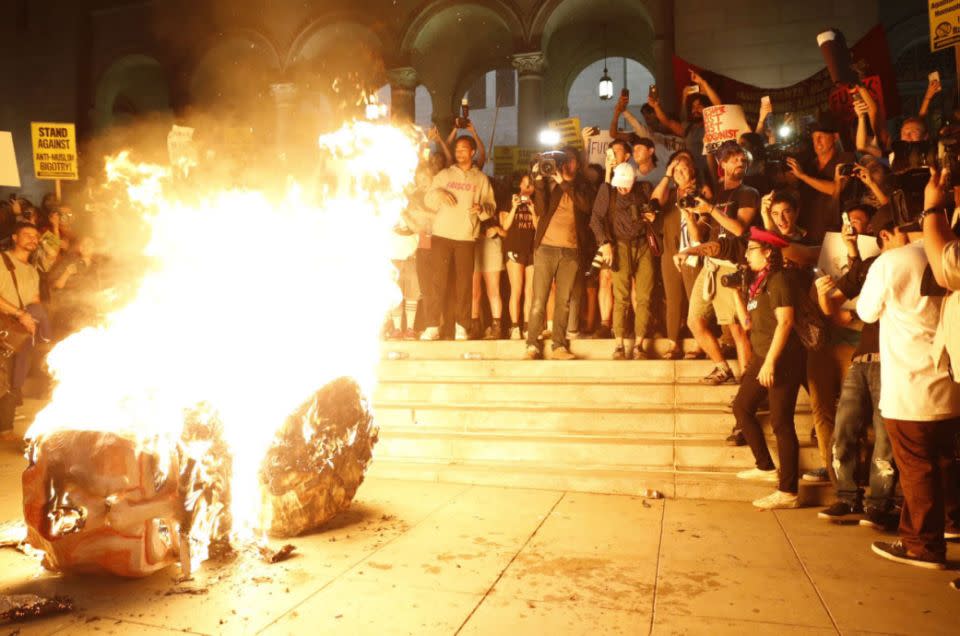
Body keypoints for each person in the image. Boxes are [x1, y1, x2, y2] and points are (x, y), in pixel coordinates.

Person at [857, 171, 960, 568]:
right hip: (948, 383)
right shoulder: (946, 253)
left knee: (916, 468)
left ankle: (923, 544)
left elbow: (866, 311)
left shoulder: (892, 261)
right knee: (941, 464)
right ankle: (944, 525)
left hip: (910, 387)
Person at [815, 220, 903, 527]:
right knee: (844, 428)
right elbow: (834, 310)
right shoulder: (872, 267)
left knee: (884, 433)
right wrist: (823, 294)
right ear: (885, 236)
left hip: (891, 359)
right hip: (860, 360)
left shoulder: (911, 262)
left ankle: (880, 503)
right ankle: (847, 497)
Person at [732, 228, 806, 510]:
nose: (746, 254)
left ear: (767, 253)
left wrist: (772, 361)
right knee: (742, 408)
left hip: (782, 359)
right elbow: (747, 324)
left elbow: (786, 322)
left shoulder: (780, 279)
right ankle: (764, 465)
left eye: (751, 249)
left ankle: (788, 491)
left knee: (781, 422)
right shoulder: (758, 283)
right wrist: (735, 294)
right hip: (761, 356)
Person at [687, 143, 759, 384]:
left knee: (737, 329)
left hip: (732, 266)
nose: (740, 162)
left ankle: (749, 386)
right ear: (723, 164)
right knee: (694, 321)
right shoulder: (715, 193)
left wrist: (711, 209)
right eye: (734, 159)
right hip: (710, 265)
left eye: (743, 159)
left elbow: (738, 228)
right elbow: (699, 236)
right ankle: (722, 368)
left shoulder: (748, 193)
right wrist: (690, 214)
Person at [420, 136, 497, 341]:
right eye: (457, 150)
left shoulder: (480, 179)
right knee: (438, 282)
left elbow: (491, 208)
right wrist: (440, 193)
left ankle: (462, 325)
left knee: (464, 284)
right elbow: (428, 198)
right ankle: (432, 325)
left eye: (464, 149)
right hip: (442, 235)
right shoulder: (445, 175)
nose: (459, 153)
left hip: (466, 237)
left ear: (472, 152)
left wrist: (481, 209)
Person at [524, 148, 592, 360]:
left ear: (577, 165)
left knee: (563, 301)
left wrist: (564, 182)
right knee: (539, 300)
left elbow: (586, 206)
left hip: (571, 251)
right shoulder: (550, 184)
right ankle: (532, 346)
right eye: (563, 161)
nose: (566, 165)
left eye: (570, 161)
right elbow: (541, 210)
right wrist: (539, 182)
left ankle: (558, 346)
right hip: (546, 248)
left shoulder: (583, 186)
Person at [590, 162, 657, 360]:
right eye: (619, 184)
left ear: (634, 180)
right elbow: (595, 219)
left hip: (643, 245)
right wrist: (604, 243)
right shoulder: (608, 192)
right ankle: (619, 344)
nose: (622, 188)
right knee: (621, 296)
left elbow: (656, 208)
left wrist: (652, 215)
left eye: (626, 185)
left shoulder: (644, 189)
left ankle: (639, 345)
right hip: (619, 245)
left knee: (644, 296)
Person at [0, 223, 57, 440]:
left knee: (16, 377)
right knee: (3, 377)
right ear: (14, 237)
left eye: (36, 236)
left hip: (20, 330)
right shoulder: (2, 261)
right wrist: (19, 313)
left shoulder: (32, 270)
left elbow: (33, 300)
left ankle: (5, 429)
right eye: (27, 235)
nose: (33, 239)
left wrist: (34, 318)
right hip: (4, 324)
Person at [651, 151, 707, 359]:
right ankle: (673, 342)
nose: (680, 173)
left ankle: (700, 342)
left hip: (693, 251)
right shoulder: (671, 193)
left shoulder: (702, 192)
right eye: (676, 170)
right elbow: (655, 200)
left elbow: (702, 227)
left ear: (692, 170)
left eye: (684, 168)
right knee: (673, 298)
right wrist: (666, 176)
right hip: (671, 252)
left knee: (695, 298)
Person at [787, 114, 856, 243]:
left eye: (821, 137)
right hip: (808, 231)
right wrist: (793, 181)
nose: (817, 142)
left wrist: (803, 176)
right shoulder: (808, 165)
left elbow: (836, 188)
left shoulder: (846, 159)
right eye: (814, 138)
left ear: (835, 137)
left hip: (835, 231)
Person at [501, 174, 537, 340]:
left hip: (532, 249)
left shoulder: (537, 201)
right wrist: (515, 207)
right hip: (514, 248)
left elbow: (539, 227)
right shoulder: (510, 199)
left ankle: (527, 326)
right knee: (516, 289)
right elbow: (505, 225)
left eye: (529, 185)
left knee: (529, 290)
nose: (525, 189)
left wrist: (533, 210)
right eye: (522, 184)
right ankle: (515, 326)